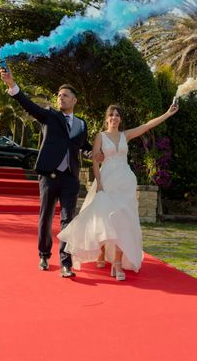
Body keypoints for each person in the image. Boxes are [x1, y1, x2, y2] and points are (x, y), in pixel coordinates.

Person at [0, 67, 102, 278]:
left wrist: (93, 153)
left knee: (68, 220)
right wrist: (12, 85)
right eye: (59, 96)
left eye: (65, 96)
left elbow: (81, 145)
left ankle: (66, 262)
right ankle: (44, 255)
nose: (60, 98)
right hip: (49, 175)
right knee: (45, 217)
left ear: (74, 100)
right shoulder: (50, 116)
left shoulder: (82, 124)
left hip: (70, 178)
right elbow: (28, 105)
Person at [57, 102, 178, 281]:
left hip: (125, 182)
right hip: (107, 181)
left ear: (120, 119)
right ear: (106, 119)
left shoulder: (125, 135)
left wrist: (168, 113)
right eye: (111, 115)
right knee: (105, 219)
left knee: (123, 221)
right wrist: (99, 183)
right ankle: (102, 251)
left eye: (117, 115)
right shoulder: (100, 136)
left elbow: (147, 126)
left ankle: (118, 263)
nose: (114, 117)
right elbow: (96, 162)